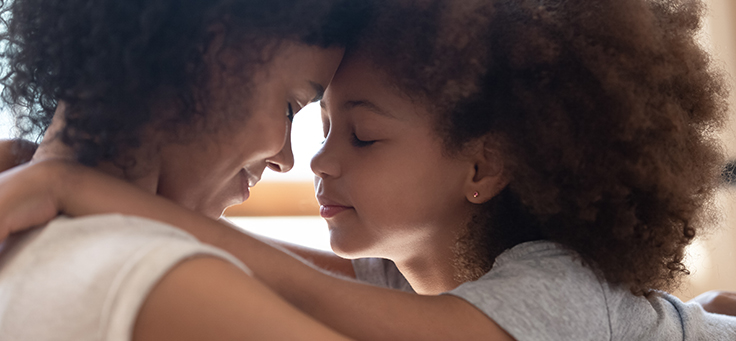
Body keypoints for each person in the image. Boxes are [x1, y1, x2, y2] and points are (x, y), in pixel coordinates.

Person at [1, 0, 735, 340]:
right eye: (302, 110)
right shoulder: (402, 276)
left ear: (483, 164)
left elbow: (291, 283)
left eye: (360, 135)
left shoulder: (555, 285)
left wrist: (78, 184)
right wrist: (43, 164)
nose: (304, 158)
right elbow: (288, 271)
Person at [0, 0, 371, 339]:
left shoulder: (21, 229)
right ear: (206, 55)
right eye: (290, 108)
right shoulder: (165, 283)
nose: (286, 160)